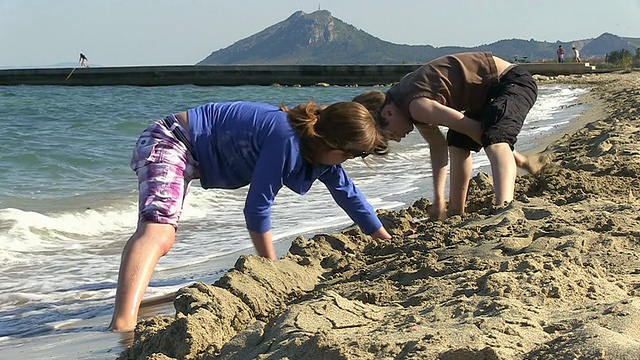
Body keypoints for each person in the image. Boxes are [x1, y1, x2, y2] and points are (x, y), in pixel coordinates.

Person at [108, 100, 392, 332]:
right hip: (172, 140)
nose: (348, 162)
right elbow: (257, 207)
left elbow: (348, 193)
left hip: (188, 150)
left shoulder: (315, 145)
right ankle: (123, 322)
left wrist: (384, 238)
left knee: (160, 231)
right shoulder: (286, 138)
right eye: (350, 155)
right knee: (159, 232)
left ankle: (133, 299)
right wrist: (271, 265)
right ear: (334, 144)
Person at [353, 51, 538, 220]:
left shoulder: (417, 106)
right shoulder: (406, 102)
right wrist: (439, 199)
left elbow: (473, 129)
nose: (398, 139)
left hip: (512, 83)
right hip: (486, 95)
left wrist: (515, 157)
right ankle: (456, 211)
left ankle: (504, 207)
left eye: (390, 135)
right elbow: (438, 147)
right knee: (457, 140)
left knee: (496, 139)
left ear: (387, 113)